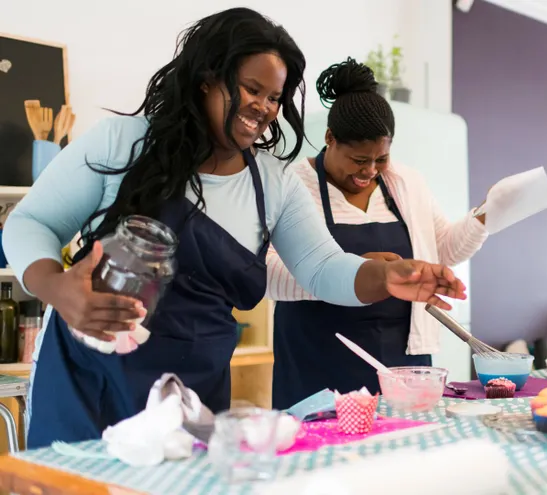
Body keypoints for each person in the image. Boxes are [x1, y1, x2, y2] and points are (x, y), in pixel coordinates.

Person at [4, 9, 465, 449]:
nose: (264, 108)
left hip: (191, 395)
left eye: (274, 97)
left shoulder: (272, 181)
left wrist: (386, 277)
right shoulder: (124, 143)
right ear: (208, 77)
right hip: (91, 380)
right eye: (252, 89)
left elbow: (323, 266)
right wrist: (58, 288)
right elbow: (31, 222)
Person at [266, 58, 490, 409]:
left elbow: (442, 250)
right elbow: (264, 270)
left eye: (380, 159)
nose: (369, 171)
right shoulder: (292, 184)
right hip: (317, 362)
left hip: (401, 363)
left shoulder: (406, 183)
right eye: (359, 159)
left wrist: (487, 214)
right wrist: (354, 272)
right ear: (329, 139)